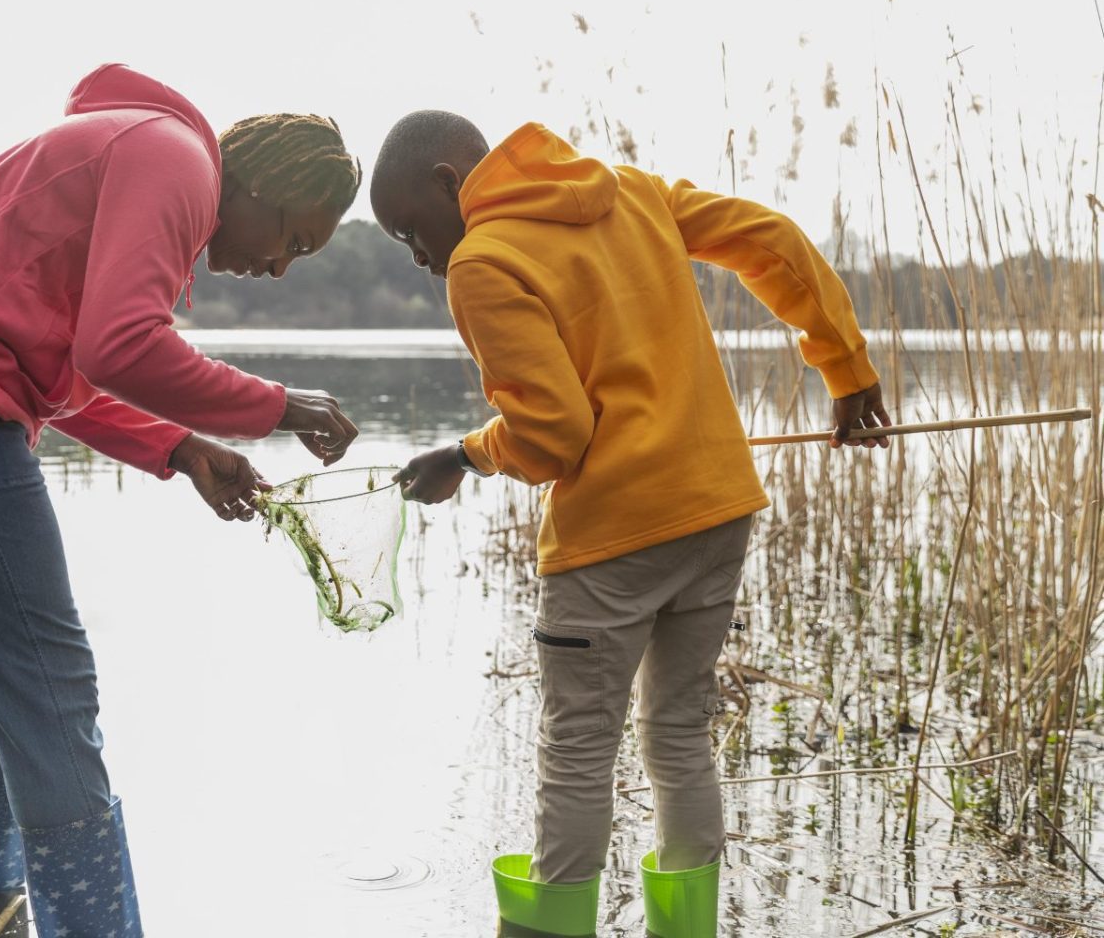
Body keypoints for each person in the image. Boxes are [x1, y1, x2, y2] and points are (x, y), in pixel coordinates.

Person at [0, 63, 362, 938]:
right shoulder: (175, 162)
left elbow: (82, 370)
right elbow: (125, 344)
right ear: (265, 183)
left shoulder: (145, 153)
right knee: (53, 694)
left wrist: (180, 446)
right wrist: (281, 406)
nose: (281, 266)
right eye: (295, 238)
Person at [373, 112, 889, 937]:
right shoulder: (629, 193)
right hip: (717, 513)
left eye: (409, 231)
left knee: (577, 750)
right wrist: (845, 364)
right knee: (679, 733)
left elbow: (552, 436)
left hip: (612, 541)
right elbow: (774, 238)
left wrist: (466, 456)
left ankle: (548, 931)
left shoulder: (483, 260)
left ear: (448, 182)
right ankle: (686, 929)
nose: (419, 256)